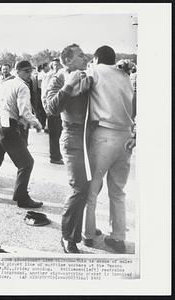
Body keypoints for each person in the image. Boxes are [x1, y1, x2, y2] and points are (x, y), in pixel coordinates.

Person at [82, 46, 136, 253]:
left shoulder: (94, 71)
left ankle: (88, 234)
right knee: (118, 192)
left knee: (92, 188)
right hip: (125, 135)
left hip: (104, 134)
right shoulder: (125, 74)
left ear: (96, 59)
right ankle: (118, 237)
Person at [44, 44, 94, 253]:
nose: (85, 57)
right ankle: (67, 237)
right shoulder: (58, 78)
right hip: (72, 136)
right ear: (68, 61)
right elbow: (51, 108)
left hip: (91, 135)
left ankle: (81, 231)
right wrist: (69, 86)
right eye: (80, 55)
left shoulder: (88, 76)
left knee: (89, 187)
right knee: (78, 187)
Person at [0, 60, 43, 209]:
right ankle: (22, 198)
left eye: (30, 72)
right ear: (17, 71)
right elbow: (25, 111)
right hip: (7, 126)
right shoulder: (22, 86)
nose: (29, 75)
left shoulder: (5, 84)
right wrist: (37, 124)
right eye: (26, 71)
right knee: (26, 163)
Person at [42, 58, 64, 164]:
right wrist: (47, 109)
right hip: (52, 108)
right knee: (54, 134)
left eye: (58, 64)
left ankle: (57, 154)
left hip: (60, 108)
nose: (56, 66)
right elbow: (44, 94)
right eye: (54, 65)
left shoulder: (63, 75)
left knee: (59, 132)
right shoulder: (49, 76)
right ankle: (54, 156)